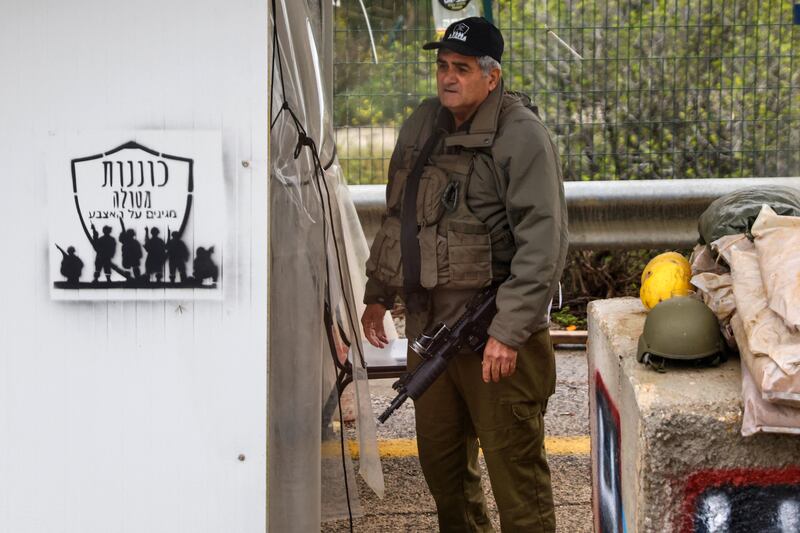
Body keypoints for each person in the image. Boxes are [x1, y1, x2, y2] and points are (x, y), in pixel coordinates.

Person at [361, 17, 568, 532]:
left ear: (491, 77)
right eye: (442, 67)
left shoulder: (522, 136)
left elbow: (544, 243)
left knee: (517, 485)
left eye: (462, 68)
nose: (447, 78)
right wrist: (380, 292)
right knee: (444, 476)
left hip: (495, 340)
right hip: (432, 337)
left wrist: (509, 330)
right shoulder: (423, 124)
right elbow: (399, 217)